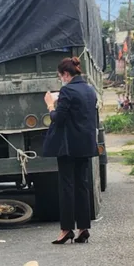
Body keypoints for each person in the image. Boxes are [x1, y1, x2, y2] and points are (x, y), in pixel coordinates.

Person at [43, 57, 99, 244]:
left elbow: (58, 118)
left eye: (60, 76)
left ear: (66, 74)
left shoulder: (67, 90)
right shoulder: (90, 90)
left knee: (67, 187)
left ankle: (66, 229)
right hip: (85, 144)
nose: (61, 80)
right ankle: (83, 227)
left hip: (67, 146)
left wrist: (51, 105)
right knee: (82, 185)